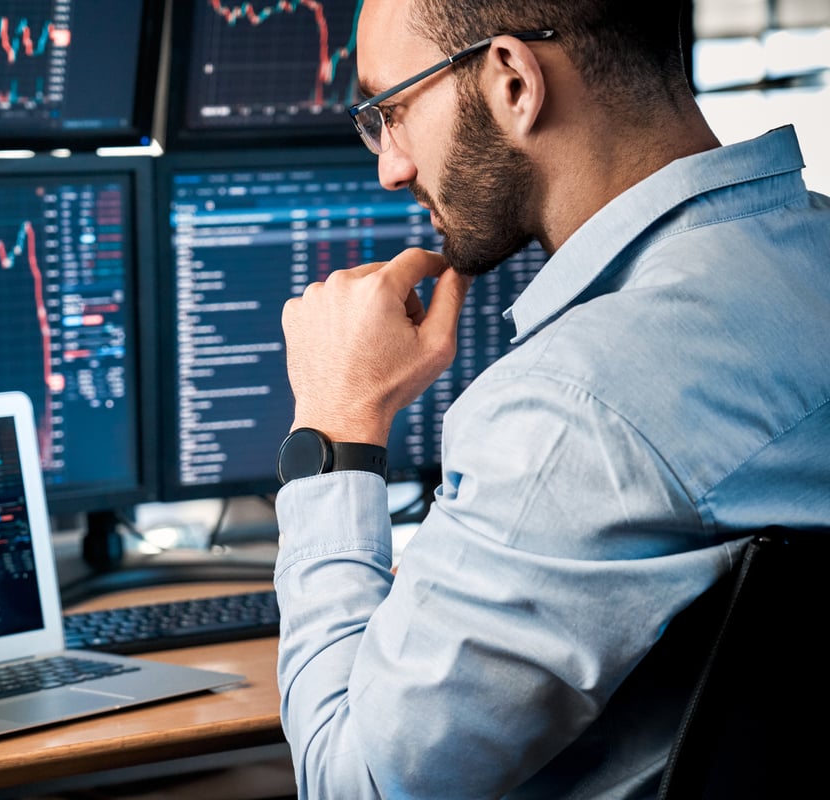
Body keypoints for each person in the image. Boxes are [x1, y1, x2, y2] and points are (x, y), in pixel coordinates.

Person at [273, 0, 830, 797]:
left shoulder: (574, 409)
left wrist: (335, 429)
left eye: (391, 111)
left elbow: (351, 782)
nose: (391, 166)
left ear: (512, 82)